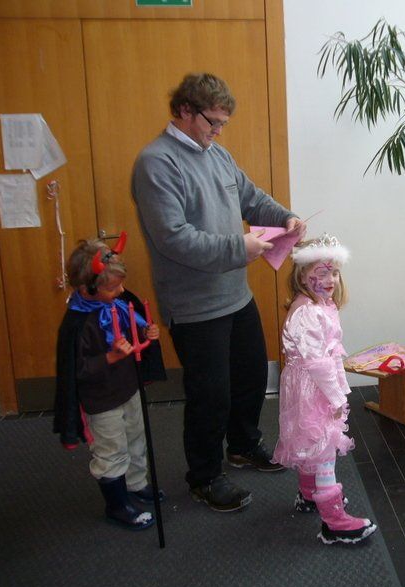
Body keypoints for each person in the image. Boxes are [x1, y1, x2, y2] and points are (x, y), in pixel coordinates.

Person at [131, 72, 306, 513]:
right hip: (193, 304)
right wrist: (239, 248)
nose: (219, 132)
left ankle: (243, 446)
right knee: (210, 395)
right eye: (213, 122)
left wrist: (284, 217)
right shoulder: (156, 163)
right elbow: (174, 238)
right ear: (184, 111)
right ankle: (205, 477)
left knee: (251, 377)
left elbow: (252, 198)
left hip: (235, 294)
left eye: (223, 124)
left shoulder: (218, 154)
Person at [53, 236, 166, 531]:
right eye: (113, 287)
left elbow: (134, 337)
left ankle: (135, 484)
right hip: (101, 401)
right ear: (87, 289)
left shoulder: (120, 305)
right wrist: (110, 357)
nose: (121, 291)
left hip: (128, 389)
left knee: (136, 439)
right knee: (111, 450)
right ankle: (117, 506)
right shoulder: (77, 323)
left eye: (121, 284)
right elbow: (76, 370)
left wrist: (147, 335)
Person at [272, 235, 377, 544]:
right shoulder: (308, 312)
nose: (331, 279)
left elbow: (329, 355)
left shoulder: (321, 305)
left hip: (311, 383)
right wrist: (335, 397)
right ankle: (334, 522)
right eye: (322, 272)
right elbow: (318, 364)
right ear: (303, 274)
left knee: (312, 444)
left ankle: (309, 494)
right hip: (313, 388)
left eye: (335, 272)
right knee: (324, 449)